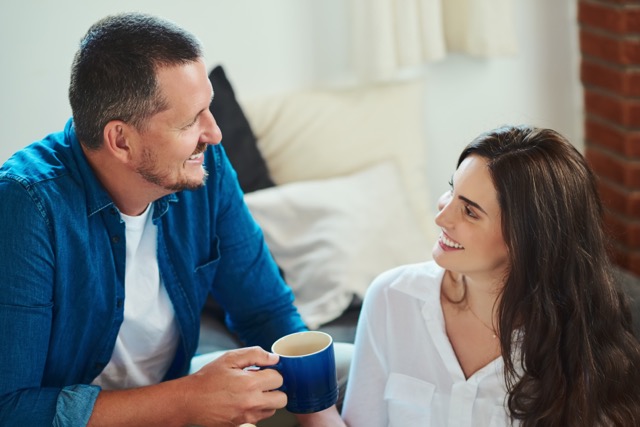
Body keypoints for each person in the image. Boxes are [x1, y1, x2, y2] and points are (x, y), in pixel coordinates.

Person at [0, 12, 346, 427]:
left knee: (361, 366)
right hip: (109, 416)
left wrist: (320, 415)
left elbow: (265, 311)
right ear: (121, 140)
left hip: (177, 391)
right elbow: (13, 407)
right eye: (190, 121)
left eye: (208, 109)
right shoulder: (26, 205)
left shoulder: (206, 166)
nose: (214, 133)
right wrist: (188, 400)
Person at [341, 125, 640, 426]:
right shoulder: (391, 299)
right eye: (452, 191)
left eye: (470, 212)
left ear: (527, 240)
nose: (441, 217)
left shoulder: (577, 337)